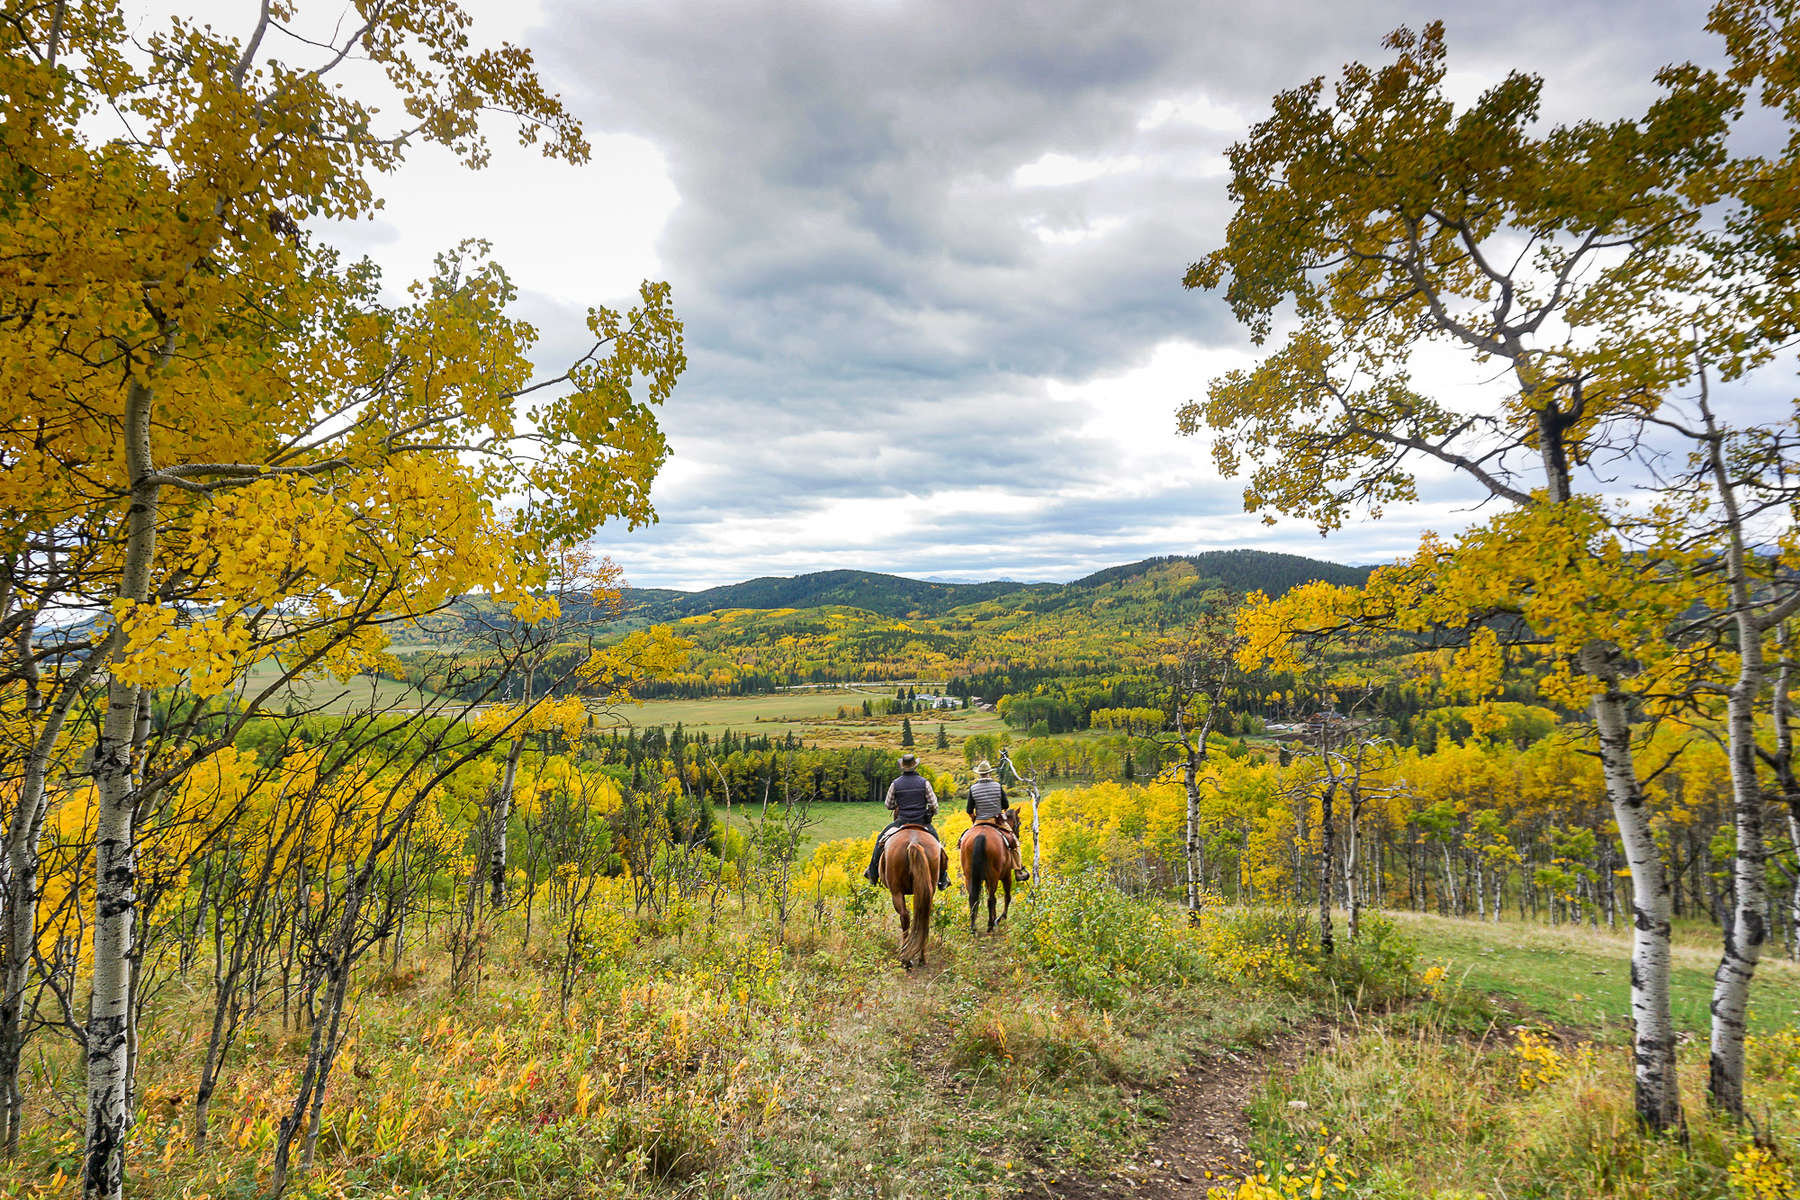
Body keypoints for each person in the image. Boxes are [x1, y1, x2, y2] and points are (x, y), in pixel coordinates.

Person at [864, 752, 950, 888]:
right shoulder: (924, 783)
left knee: (880, 840)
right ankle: (943, 877)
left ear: (902, 767)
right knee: (937, 843)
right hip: (922, 822)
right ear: (915, 766)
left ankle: (872, 873)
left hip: (902, 821)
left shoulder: (895, 784)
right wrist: (931, 812)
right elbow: (934, 805)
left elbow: (888, 805)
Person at [964, 759, 1029, 882]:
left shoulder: (973, 788)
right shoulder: (997, 786)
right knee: (1014, 842)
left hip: (979, 821)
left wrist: (974, 819)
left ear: (979, 774)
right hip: (996, 821)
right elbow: (1006, 805)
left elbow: (969, 810)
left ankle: (965, 871)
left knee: (963, 841)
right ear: (989, 773)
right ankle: (1018, 870)